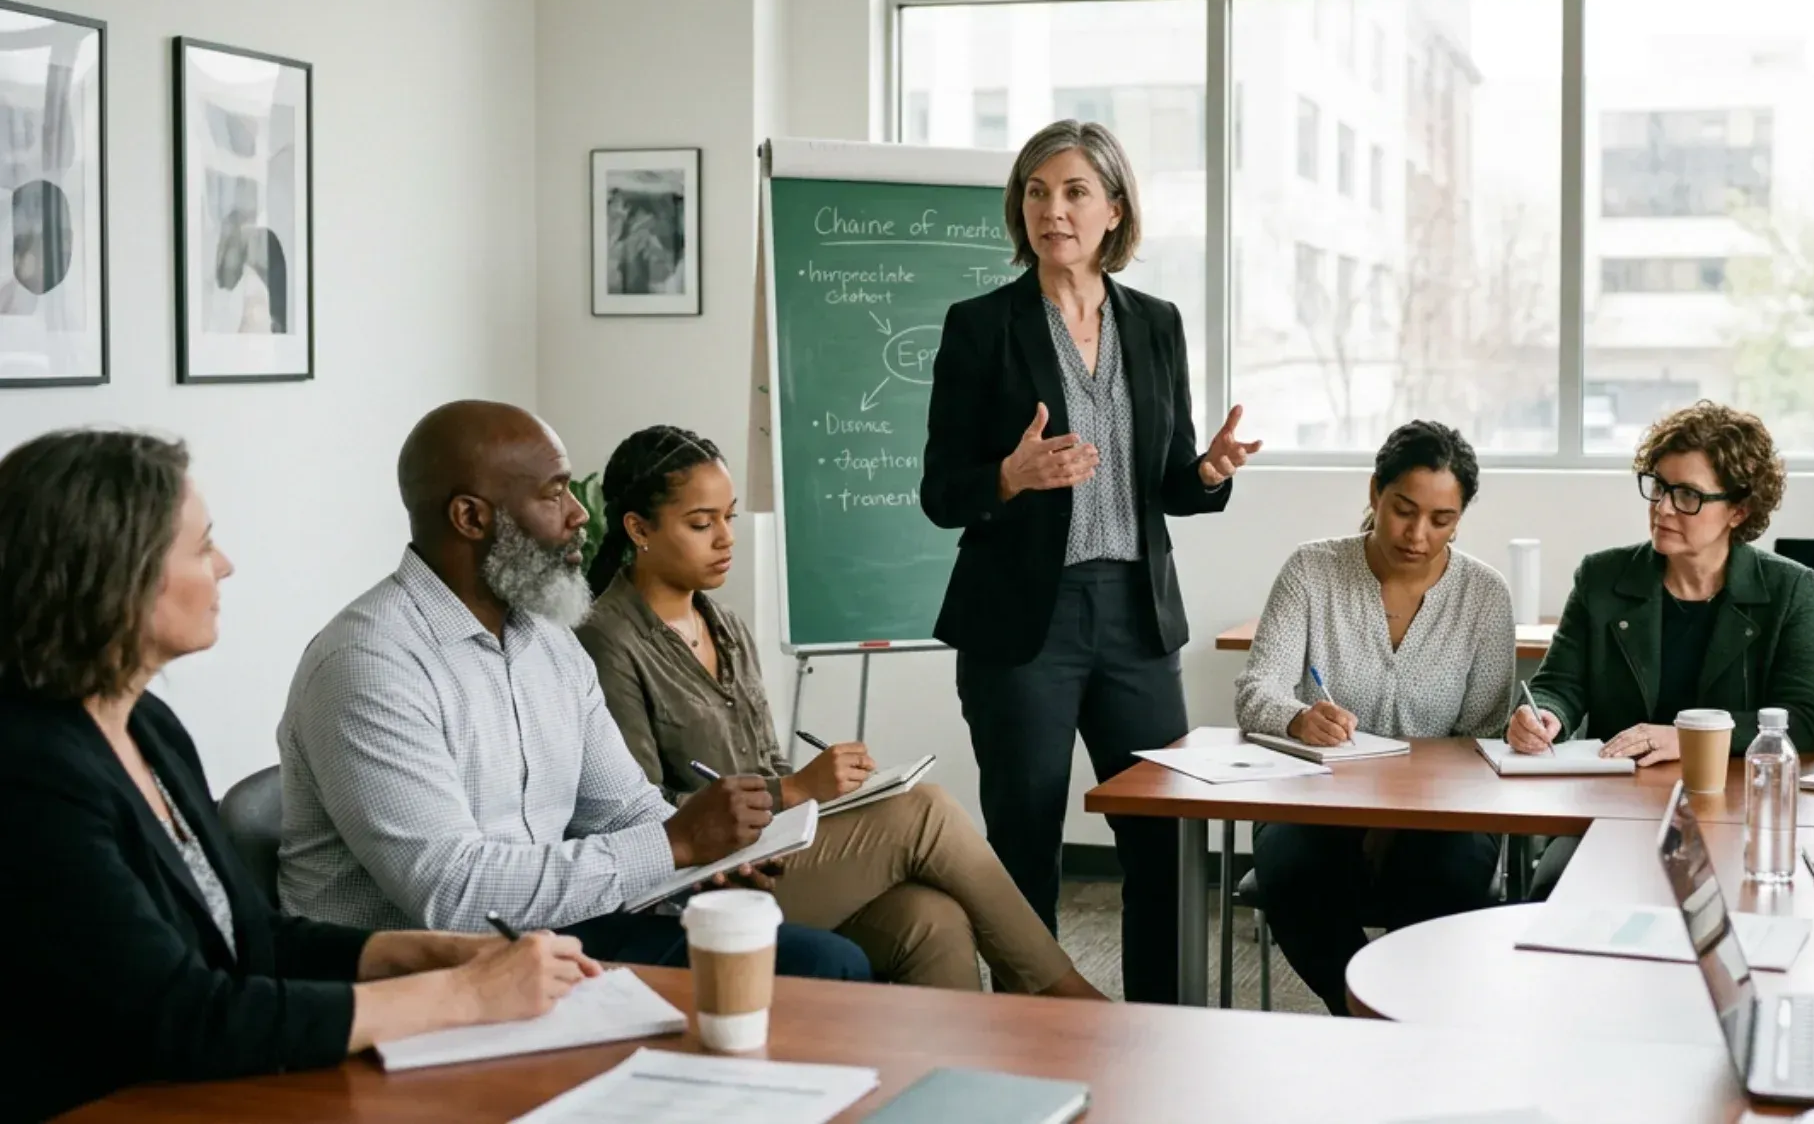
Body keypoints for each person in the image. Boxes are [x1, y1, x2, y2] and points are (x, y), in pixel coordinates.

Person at [0, 431, 601, 1119]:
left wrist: (436, 954)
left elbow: (255, 940)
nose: (225, 566)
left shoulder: (147, 726)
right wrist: (463, 997)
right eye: (201, 548)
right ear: (112, 572)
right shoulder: (28, 773)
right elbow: (183, 1018)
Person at [277, 401, 870, 982]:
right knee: (816, 966)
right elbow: (454, 892)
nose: (578, 514)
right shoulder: (371, 664)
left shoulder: (545, 636)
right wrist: (675, 844)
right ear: (470, 518)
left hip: (550, 933)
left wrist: (713, 861)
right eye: (552, 493)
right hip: (436, 968)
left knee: (850, 949)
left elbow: (620, 807)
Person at [575, 424, 1104, 997]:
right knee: (923, 811)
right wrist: (794, 791)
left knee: (932, 920)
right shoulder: (605, 642)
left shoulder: (724, 626)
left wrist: (825, 790)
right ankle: (1068, 997)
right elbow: (640, 817)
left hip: (771, 852)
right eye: (702, 524)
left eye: (729, 517)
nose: (726, 538)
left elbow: (766, 760)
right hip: (700, 884)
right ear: (637, 528)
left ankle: (955, 1078)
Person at [920, 120, 1257, 1003]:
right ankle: (1032, 1033)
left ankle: (1159, 1027)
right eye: (1036, 191)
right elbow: (940, 492)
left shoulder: (1156, 324)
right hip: (1022, 622)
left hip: (1136, 619)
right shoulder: (980, 326)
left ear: (1114, 210)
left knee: (1161, 832)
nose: (1052, 210)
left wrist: (1211, 473)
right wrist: (1009, 474)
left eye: (1073, 192)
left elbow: (1171, 480)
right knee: (1026, 841)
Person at [1231, 421, 1516, 1013]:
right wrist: (1295, 719)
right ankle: (1365, 1015)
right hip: (1317, 800)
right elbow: (1256, 689)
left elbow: (1485, 734)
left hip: (1444, 812)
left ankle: (1414, 1018)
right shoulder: (1312, 571)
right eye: (1403, 511)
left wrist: (1397, 814)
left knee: (1444, 877)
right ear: (1374, 493)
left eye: (1442, 520)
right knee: (1291, 873)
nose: (1417, 535)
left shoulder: (1484, 594)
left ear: (1461, 518)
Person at [1508, 403, 1814, 897]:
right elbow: (1560, 685)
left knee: (1727, 908)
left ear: (1738, 510)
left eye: (1688, 496)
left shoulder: (1788, 589)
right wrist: (1544, 715)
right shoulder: (1603, 578)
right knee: (1555, 893)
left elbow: (1803, 720)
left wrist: (1689, 736)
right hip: (1614, 809)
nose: (1662, 508)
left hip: (1731, 814)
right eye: (1658, 487)